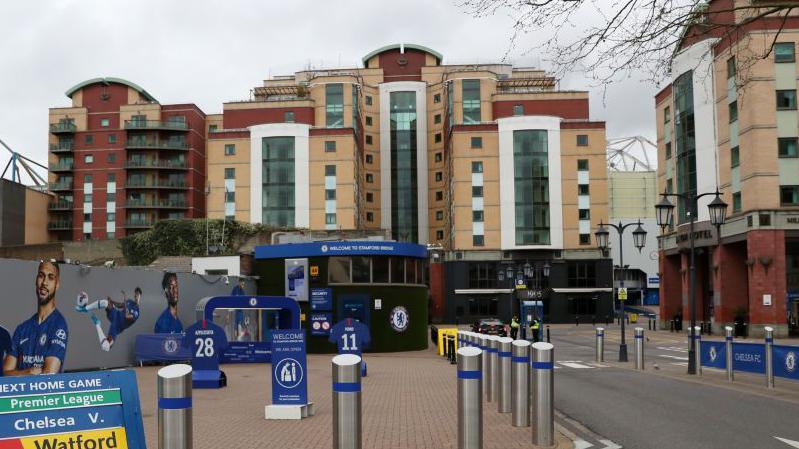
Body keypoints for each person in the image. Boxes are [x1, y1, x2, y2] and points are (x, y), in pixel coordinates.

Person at [3, 261, 68, 376]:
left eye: (50, 278)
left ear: (57, 284)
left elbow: (48, 375)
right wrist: (29, 372)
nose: (44, 283)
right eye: (41, 276)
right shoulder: (22, 329)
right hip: (21, 394)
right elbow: (4, 374)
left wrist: (17, 374)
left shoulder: (59, 325)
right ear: (36, 280)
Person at [76, 287, 141, 351]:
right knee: (105, 302)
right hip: (115, 314)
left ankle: (97, 323)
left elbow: (127, 316)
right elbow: (120, 305)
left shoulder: (137, 312)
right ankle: (85, 308)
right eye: (135, 294)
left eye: (137, 295)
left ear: (140, 297)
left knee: (106, 346)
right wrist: (111, 301)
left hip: (117, 326)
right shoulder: (129, 301)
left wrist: (125, 302)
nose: (136, 296)